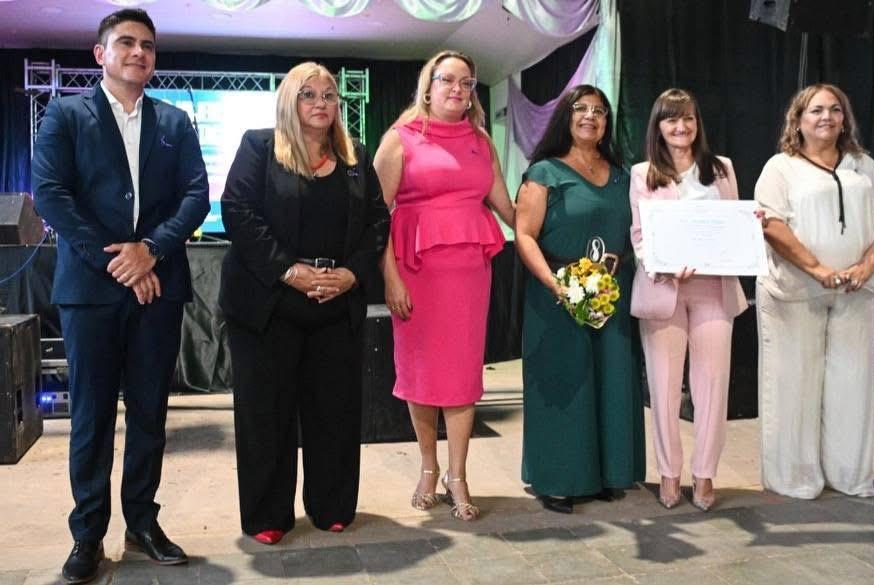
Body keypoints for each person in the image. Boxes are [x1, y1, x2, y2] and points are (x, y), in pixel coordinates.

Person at [31, 9, 209, 583]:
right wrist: (120, 262)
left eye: (148, 45)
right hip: (91, 291)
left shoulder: (174, 121)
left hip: (159, 287)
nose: (139, 52)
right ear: (100, 54)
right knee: (91, 416)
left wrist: (150, 250)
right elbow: (51, 194)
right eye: (126, 42)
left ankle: (142, 523)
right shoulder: (65, 113)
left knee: (151, 413)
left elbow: (197, 195)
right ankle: (87, 534)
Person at [218, 62, 389, 543]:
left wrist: (351, 274)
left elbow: (378, 221)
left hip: (335, 300)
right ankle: (268, 516)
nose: (320, 103)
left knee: (334, 413)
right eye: (308, 94)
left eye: (329, 95)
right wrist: (290, 271)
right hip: (269, 303)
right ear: (288, 102)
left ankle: (331, 505)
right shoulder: (259, 147)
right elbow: (238, 212)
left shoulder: (356, 157)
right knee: (266, 415)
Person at [373, 50, 514, 521]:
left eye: (466, 82)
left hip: (470, 275)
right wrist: (391, 278)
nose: (457, 88)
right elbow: (375, 219)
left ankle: (458, 476)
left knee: (462, 376)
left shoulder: (481, 141)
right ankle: (428, 468)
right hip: (416, 273)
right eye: (447, 79)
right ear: (428, 86)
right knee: (422, 375)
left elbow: (507, 207)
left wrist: (549, 221)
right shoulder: (400, 138)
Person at [755, 83, 874, 499]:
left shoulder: (863, 165)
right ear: (798, 120)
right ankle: (794, 478)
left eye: (835, 109)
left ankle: (849, 475)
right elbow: (771, 224)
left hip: (856, 291)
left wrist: (866, 266)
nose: (827, 117)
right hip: (794, 293)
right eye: (816, 110)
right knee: (793, 385)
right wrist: (817, 269)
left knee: (851, 386)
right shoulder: (780, 167)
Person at [515, 85, 646, 514]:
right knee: (564, 384)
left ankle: (604, 474)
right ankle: (558, 480)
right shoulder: (544, 173)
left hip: (609, 293)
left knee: (609, 382)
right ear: (566, 117)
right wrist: (554, 282)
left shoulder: (622, 175)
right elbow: (524, 235)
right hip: (557, 294)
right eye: (581, 108)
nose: (591, 116)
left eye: (599, 111)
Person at [628, 89, 748, 511]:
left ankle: (704, 473)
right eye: (671, 119)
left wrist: (749, 226)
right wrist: (662, 265)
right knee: (663, 386)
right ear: (658, 127)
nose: (681, 127)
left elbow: (733, 223)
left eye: (688, 118)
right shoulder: (643, 173)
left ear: (698, 123)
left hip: (715, 286)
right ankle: (668, 472)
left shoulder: (722, 169)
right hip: (664, 289)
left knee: (712, 386)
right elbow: (639, 236)